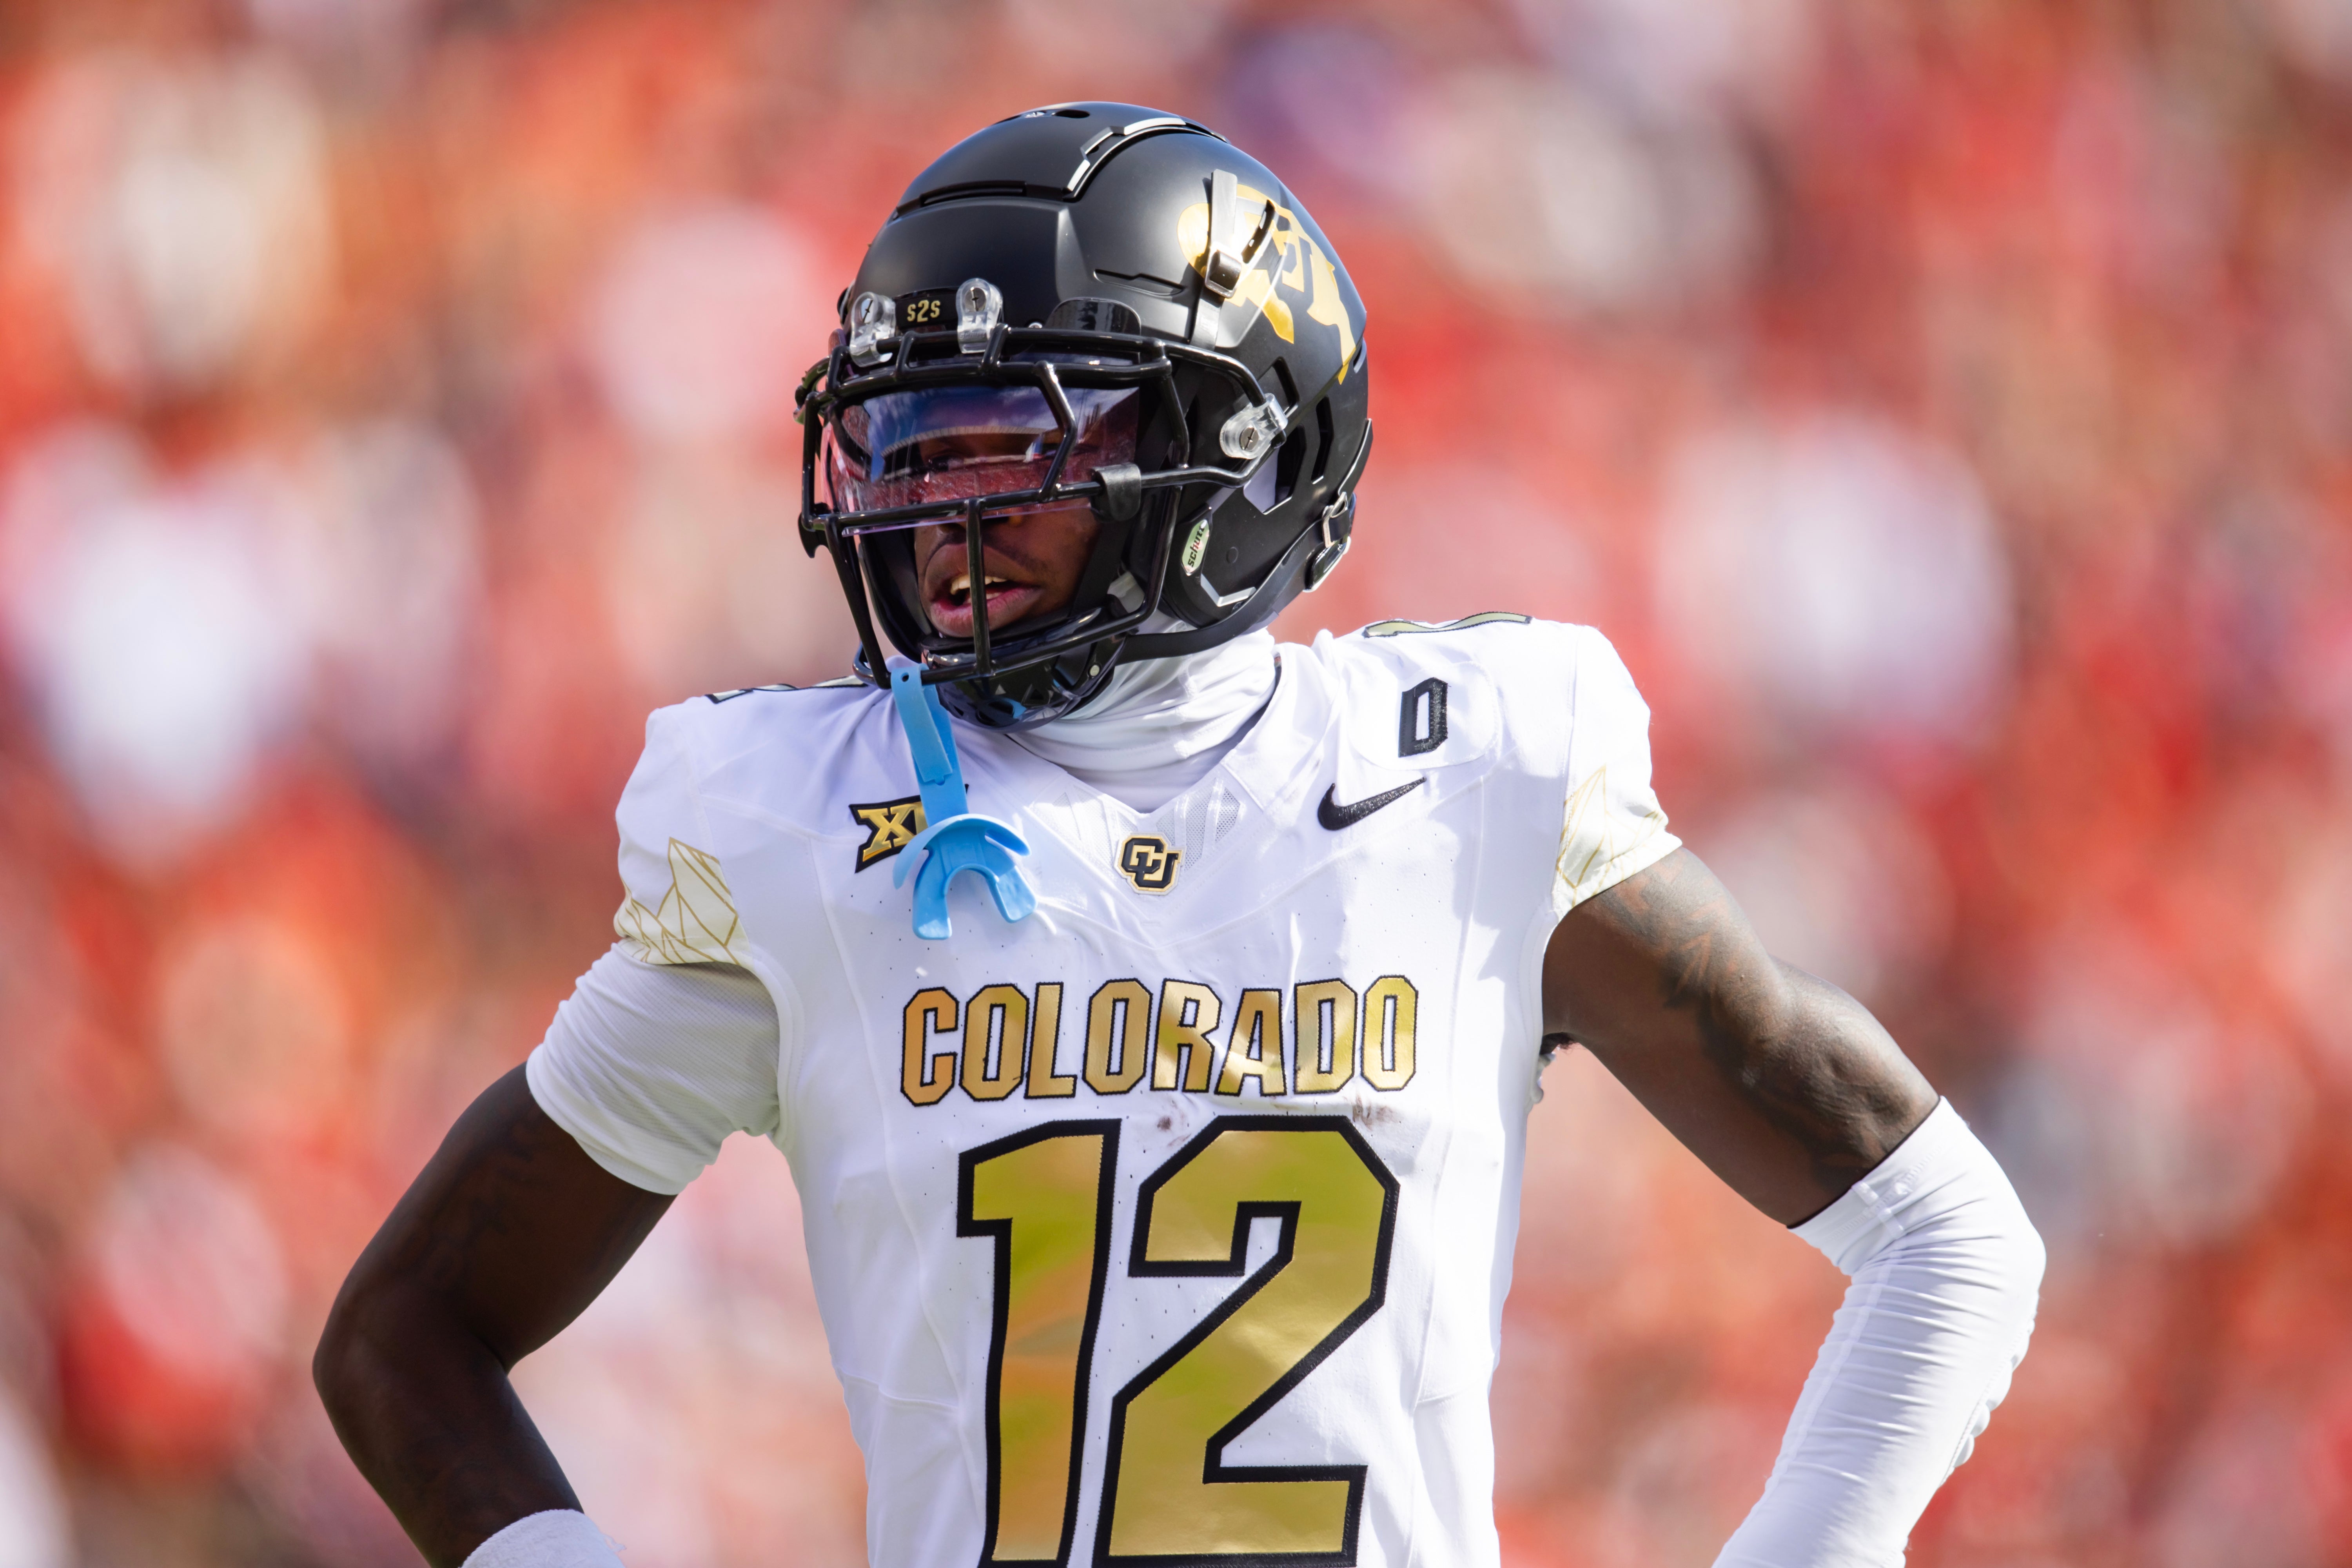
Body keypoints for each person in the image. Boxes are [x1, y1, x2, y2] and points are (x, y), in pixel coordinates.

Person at [314, 103, 2044, 1568]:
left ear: (1244, 452)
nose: (940, 513)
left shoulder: (1471, 778)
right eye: (907, 445)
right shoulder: (806, 824)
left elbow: (1949, 1235)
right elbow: (407, 1336)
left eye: (1015, 442)